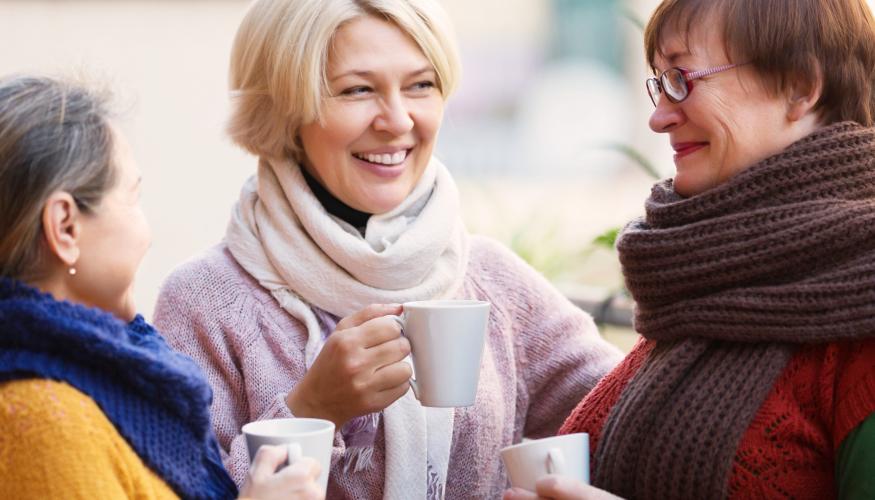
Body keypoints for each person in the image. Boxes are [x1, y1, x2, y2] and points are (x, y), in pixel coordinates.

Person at [153, 0, 623, 498]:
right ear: (285, 111)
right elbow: (174, 486)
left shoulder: (493, 280)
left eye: (421, 85)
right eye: (358, 90)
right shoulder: (204, 301)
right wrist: (312, 409)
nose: (398, 120)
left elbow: (641, 421)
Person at [504, 0, 875, 499]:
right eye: (659, 82)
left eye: (682, 77)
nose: (658, 118)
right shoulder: (698, 282)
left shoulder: (859, 313)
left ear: (799, 86)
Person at [0, 75, 323, 500]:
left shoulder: (105, 383)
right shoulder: (42, 421)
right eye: (132, 197)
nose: (146, 232)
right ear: (65, 226)